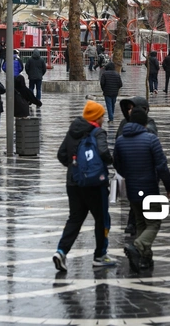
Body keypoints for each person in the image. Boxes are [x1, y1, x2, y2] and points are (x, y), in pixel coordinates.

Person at [54, 101, 116, 271]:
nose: (103, 118)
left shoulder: (73, 130)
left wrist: (76, 168)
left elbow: (61, 155)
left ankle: (61, 251)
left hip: (73, 182)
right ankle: (100, 255)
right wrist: (109, 163)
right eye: (101, 115)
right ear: (96, 117)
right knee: (102, 219)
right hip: (95, 184)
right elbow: (104, 153)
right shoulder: (97, 132)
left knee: (75, 218)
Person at [114, 108, 170, 272]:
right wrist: (169, 186)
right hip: (149, 188)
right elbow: (161, 165)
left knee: (140, 222)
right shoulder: (151, 139)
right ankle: (139, 245)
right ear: (145, 122)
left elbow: (116, 165)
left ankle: (144, 259)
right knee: (154, 222)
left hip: (132, 190)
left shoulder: (120, 140)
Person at [115, 96, 159, 236]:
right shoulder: (124, 123)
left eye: (132, 109)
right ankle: (134, 228)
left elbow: (152, 138)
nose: (129, 111)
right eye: (128, 109)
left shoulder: (149, 123)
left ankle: (133, 225)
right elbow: (117, 146)